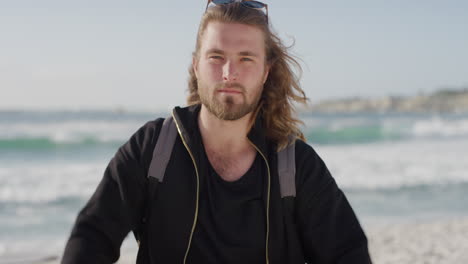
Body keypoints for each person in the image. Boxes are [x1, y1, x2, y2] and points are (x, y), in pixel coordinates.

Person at [62, 1, 372, 263]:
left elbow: (348, 253)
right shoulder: (154, 149)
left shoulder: (296, 166)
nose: (229, 73)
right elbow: (92, 236)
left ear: (266, 71)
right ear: (196, 66)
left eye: (245, 59)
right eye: (216, 57)